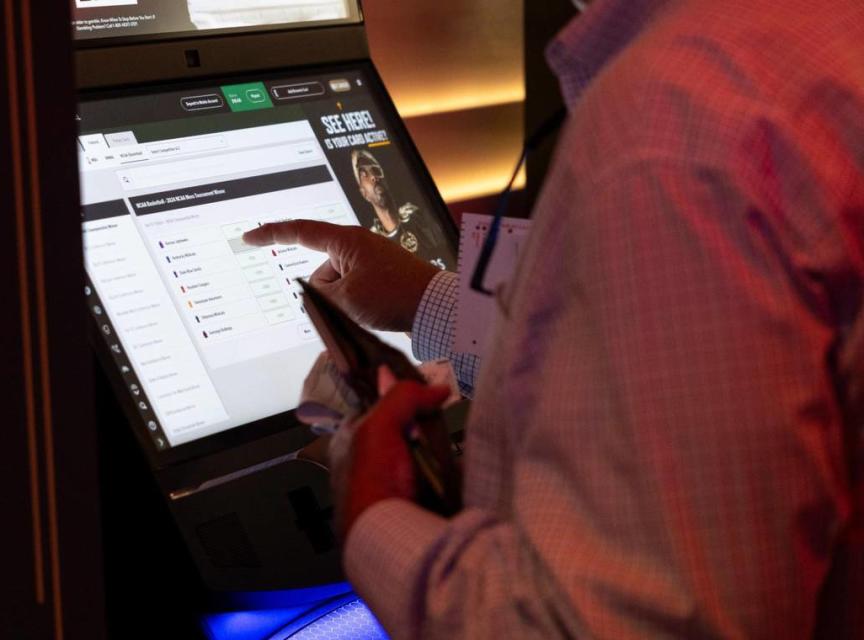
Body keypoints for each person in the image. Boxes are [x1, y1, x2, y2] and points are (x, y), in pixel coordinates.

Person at [245, 0, 864, 637]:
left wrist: (372, 511)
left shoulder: (674, 125)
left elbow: (630, 625)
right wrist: (425, 300)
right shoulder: (808, 39)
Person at [351, 149, 450, 270]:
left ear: (385, 179)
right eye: (364, 175)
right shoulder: (372, 244)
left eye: (375, 170)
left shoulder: (419, 217)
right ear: (363, 193)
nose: (373, 177)